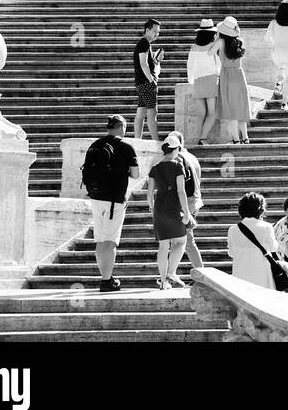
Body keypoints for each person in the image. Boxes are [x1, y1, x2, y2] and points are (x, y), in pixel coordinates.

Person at [83, 114, 141, 292]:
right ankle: (106, 280)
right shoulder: (125, 147)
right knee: (110, 241)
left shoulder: (94, 145)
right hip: (114, 199)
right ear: (121, 127)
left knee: (100, 241)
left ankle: (105, 277)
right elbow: (136, 174)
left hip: (96, 197)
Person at [146, 134, 193, 289]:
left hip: (159, 208)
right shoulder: (178, 166)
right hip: (174, 207)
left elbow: (149, 193)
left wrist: (152, 209)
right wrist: (186, 213)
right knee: (180, 241)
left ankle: (163, 280)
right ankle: (171, 273)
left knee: (163, 246)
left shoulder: (155, 168)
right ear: (176, 149)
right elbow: (181, 191)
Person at [226, 192, 282, 289]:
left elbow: (231, 253)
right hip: (262, 274)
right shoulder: (266, 227)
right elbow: (273, 248)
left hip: (240, 274)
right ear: (260, 209)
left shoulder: (232, 229)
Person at [169, 131, 205, 269]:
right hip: (195, 201)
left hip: (185, 203)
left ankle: (201, 275)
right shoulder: (192, 157)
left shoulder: (177, 158)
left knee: (186, 242)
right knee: (186, 241)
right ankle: (170, 273)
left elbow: (178, 186)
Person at [216, 16, 252, 143]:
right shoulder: (240, 43)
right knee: (240, 108)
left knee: (231, 110)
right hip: (239, 74)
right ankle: (246, 138)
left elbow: (210, 53)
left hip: (226, 75)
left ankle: (236, 140)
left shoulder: (221, 43)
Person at [187, 19, 222, 144]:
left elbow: (189, 65)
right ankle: (202, 138)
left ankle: (199, 138)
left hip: (197, 80)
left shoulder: (194, 47)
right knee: (211, 114)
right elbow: (219, 64)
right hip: (211, 80)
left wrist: (190, 80)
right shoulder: (213, 46)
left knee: (201, 113)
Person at [132, 18, 164, 144]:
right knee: (152, 113)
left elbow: (148, 64)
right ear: (147, 30)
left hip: (141, 82)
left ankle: (137, 140)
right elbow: (143, 64)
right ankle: (156, 141)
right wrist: (152, 81)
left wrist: (157, 60)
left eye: (158, 32)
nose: (157, 34)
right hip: (146, 83)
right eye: (155, 31)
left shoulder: (145, 44)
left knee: (141, 112)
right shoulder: (144, 43)